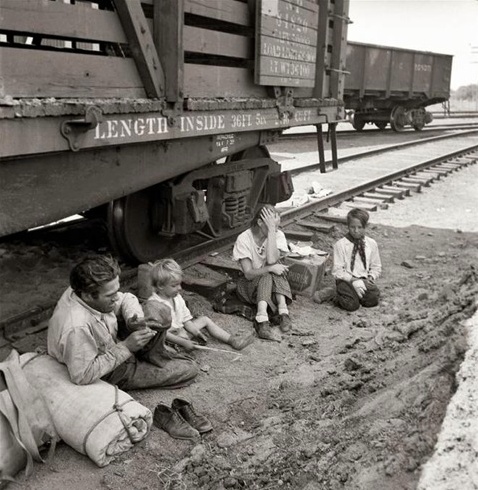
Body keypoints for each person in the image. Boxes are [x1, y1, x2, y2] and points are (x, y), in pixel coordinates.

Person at [47, 255, 198, 389]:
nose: (116, 298)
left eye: (116, 291)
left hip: (113, 344)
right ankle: (146, 359)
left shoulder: (82, 290)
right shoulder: (77, 326)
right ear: (88, 296)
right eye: (110, 295)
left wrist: (135, 318)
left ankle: (150, 355)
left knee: (158, 309)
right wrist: (126, 347)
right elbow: (83, 375)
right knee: (189, 367)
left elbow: (126, 298)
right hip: (109, 370)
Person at [146, 259, 255, 351]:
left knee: (204, 320)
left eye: (179, 284)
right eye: (174, 285)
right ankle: (177, 348)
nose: (180, 288)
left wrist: (197, 333)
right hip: (166, 338)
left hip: (180, 332)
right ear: (160, 285)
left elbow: (186, 321)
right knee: (170, 341)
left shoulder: (177, 297)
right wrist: (183, 341)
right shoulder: (154, 304)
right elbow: (161, 333)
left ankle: (232, 340)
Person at [232, 204, 293, 341]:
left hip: (272, 290)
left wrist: (272, 231)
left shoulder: (277, 235)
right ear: (260, 222)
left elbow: (272, 260)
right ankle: (262, 321)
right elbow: (248, 274)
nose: (276, 230)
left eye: (277, 226)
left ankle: (283, 313)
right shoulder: (244, 238)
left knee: (277, 269)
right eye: (272, 226)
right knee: (268, 272)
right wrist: (270, 268)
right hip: (249, 287)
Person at [330, 207, 382, 311]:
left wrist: (371, 277)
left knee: (373, 299)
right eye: (352, 227)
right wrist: (353, 280)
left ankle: (353, 295)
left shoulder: (371, 244)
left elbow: (376, 266)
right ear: (348, 226)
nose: (356, 231)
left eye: (360, 227)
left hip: (363, 279)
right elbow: (337, 271)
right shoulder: (341, 245)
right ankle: (334, 295)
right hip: (346, 280)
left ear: (365, 227)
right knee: (352, 305)